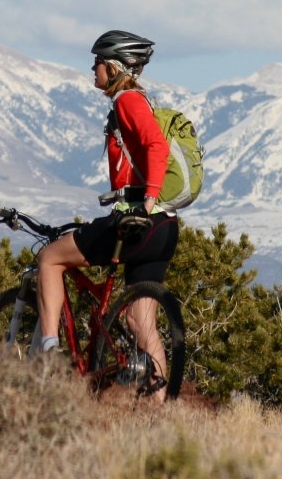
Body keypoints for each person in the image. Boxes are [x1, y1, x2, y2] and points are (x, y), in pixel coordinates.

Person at [35, 30, 180, 399]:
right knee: (138, 321)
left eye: (97, 62)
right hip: (164, 227)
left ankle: (47, 353)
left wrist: (144, 203)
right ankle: (159, 410)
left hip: (137, 221)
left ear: (113, 66)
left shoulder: (127, 101)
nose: (92, 69)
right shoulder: (140, 100)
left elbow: (156, 148)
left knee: (50, 258)